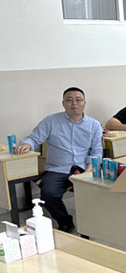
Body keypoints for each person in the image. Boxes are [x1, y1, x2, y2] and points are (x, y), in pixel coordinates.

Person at [15, 87, 102, 233]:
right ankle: (65, 222)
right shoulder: (51, 121)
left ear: (84, 103)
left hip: (84, 168)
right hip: (58, 168)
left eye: (78, 100)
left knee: (98, 192)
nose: (74, 103)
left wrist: (88, 171)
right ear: (63, 103)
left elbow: (97, 151)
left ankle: (93, 226)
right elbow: (34, 138)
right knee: (48, 195)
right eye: (69, 100)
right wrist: (27, 144)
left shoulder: (94, 125)